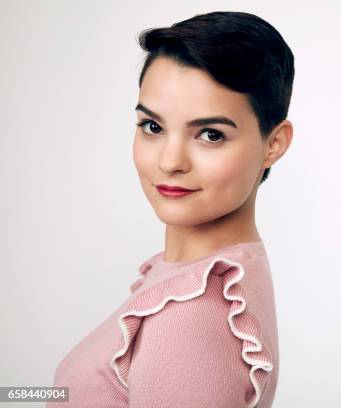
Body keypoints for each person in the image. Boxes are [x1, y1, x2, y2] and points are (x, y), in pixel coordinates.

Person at [49, 11, 294, 408]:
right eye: (153, 127)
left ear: (274, 144)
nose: (170, 161)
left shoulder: (193, 314)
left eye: (211, 134)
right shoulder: (203, 276)